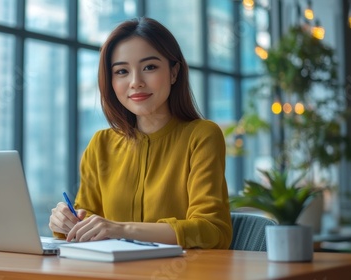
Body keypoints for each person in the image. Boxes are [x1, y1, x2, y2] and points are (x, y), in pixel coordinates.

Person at [49, 17, 231, 249]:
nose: (136, 82)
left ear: (174, 73)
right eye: (122, 71)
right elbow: (86, 225)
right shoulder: (100, 144)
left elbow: (212, 230)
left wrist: (121, 229)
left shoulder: (202, 136)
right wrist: (66, 223)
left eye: (149, 67)